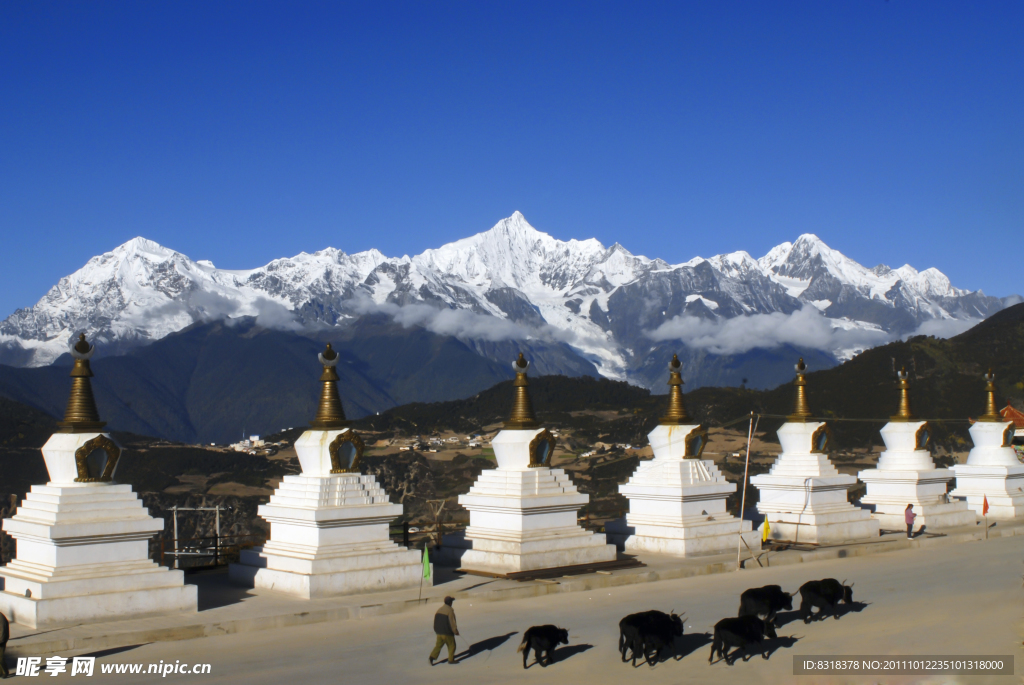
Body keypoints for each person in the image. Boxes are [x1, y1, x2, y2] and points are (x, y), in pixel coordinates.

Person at [429, 596, 459, 665]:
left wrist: (437, 630)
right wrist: (455, 631)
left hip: (439, 632)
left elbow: (435, 621)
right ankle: (451, 660)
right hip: (447, 632)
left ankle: (432, 657)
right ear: (450, 603)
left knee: (438, 646)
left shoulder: (439, 609)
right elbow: (452, 623)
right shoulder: (450, 610)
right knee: (452, 645)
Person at [1, 610, 9, 679]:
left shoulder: (0, 618)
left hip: (1, 641)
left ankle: (5, 672)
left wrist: (1, 641)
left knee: (0, 658)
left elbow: (2, 631)